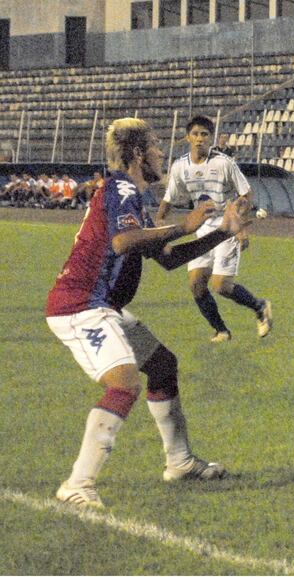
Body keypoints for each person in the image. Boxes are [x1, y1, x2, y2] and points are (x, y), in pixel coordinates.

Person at [46, 117, 253, 508]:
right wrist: (185, 224)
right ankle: (78, 482)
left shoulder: (132, 198)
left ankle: (180, 463)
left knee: (161, 367)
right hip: (80, 306)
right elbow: (124, 242)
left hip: (102, 306)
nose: (162, 153)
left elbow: (170, 258)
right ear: (139, 153)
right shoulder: (122, 186)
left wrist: (222, 231)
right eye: (156, 146)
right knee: (124, 383)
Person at [157, 115, 271, 343]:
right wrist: (158, 226)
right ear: (188, 137)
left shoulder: (224, 163)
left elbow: (246, 194)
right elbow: (168, 199)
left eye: (204, 135)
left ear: (211, 138)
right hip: (201, 230)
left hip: (225, 227)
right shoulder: (180, 166)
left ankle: (260, 307)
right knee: (196, 285)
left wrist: (238, 225)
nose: (200, 139)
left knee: (221, 286)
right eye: (196, 134)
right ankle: (222, 331)